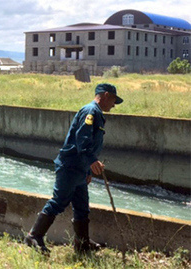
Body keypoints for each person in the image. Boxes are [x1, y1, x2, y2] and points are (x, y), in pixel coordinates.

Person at [25, 83, 123, 254]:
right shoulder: (90, 112)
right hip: (70, 166)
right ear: (106, 95)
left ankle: (82, 243)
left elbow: (87, 144)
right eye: (113, 100)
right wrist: (92, 161)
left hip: (79, 168)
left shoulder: (97, 113)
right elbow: (82, 139)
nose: (114, 105)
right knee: (59, 202)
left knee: (82, 206)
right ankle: (34, 235)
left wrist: (87, 171)